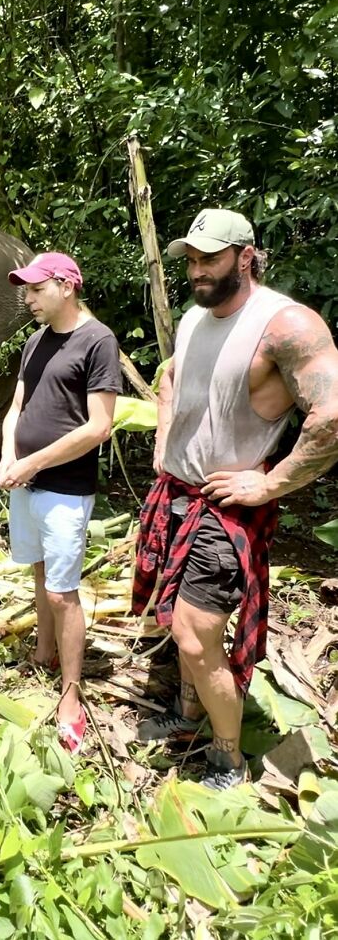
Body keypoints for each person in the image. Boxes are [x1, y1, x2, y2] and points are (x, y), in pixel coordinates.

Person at [133, 208, 338, 789]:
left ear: (245, 256)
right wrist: (163, 437)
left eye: (210, 258)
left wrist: (270, 483)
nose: (197, 270)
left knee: (198, 636)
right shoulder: (197, 319)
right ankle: (189, 716)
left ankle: (229, 759)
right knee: (178, 626)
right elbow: (171, 376)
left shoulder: (284, 325)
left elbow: (332, 414)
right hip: (176, 493)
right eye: (191, 260)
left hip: (223, 511)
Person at [0, 252, 122, 754]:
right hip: (24, 480)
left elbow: (98, 426)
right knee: (39, 574)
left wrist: (34, 463)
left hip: (65, 486)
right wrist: (10, 455)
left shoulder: (98, 341)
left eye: (35, 289)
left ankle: (71, 695)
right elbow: (16, 408)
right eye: (25, 291)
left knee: (62, 591)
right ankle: (42, 652)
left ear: (67, 285)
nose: (27, 300)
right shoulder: (34, 341)